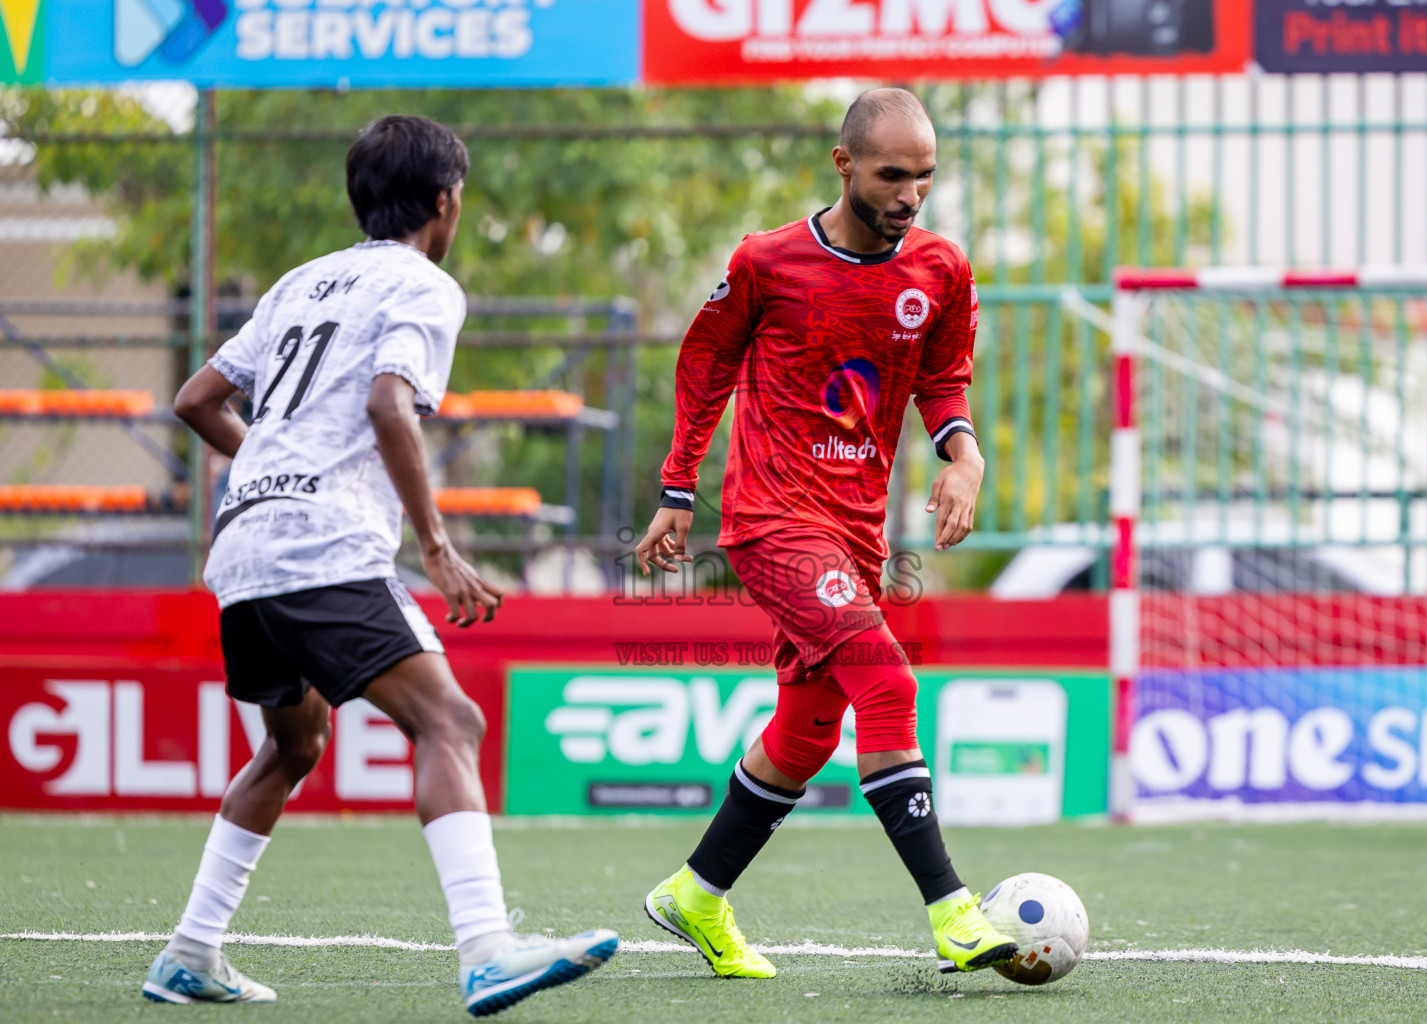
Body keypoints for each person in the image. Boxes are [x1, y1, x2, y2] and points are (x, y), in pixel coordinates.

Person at [145, 115, 616, 1014]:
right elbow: (389, 404)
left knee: (293, 743)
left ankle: (190, 952)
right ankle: (487, 950)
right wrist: (437, 548)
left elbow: (196, 400)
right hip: (322, 546)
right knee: (452, 722)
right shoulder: (426, 285)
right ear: (445, 201)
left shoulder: (301, 281)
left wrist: (273, 473)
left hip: (244, 544)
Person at [632, 88, 1017, 978]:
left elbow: (943, 383)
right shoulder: (766, 262)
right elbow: (707, 363)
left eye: (924, 176)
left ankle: (694, 893)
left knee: (807, 730)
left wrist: (965, 458)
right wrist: (678, 486)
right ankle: (953, 908)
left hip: (857, 535)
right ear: (844, 165)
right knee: (888, 683)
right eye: (892, 174)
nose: (910, 194)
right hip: (772, 522)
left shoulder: (941, 271)